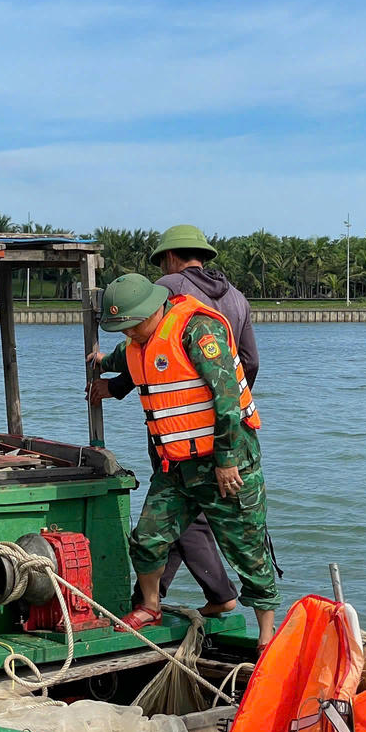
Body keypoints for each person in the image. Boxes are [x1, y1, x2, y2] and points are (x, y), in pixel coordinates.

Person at [93, 273, 280, 647]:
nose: (129, 334)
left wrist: (226, 460)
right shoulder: (139, 341)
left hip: (226, 463)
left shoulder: (198, 332)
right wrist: (103, 375)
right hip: (175, 467)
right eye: (123, 329)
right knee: (146, 538)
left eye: (132, 325)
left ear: (152, 310)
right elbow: (125, 362)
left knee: (247, 547)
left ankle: (266, 634)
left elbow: (227, 401)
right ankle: (150, 606)